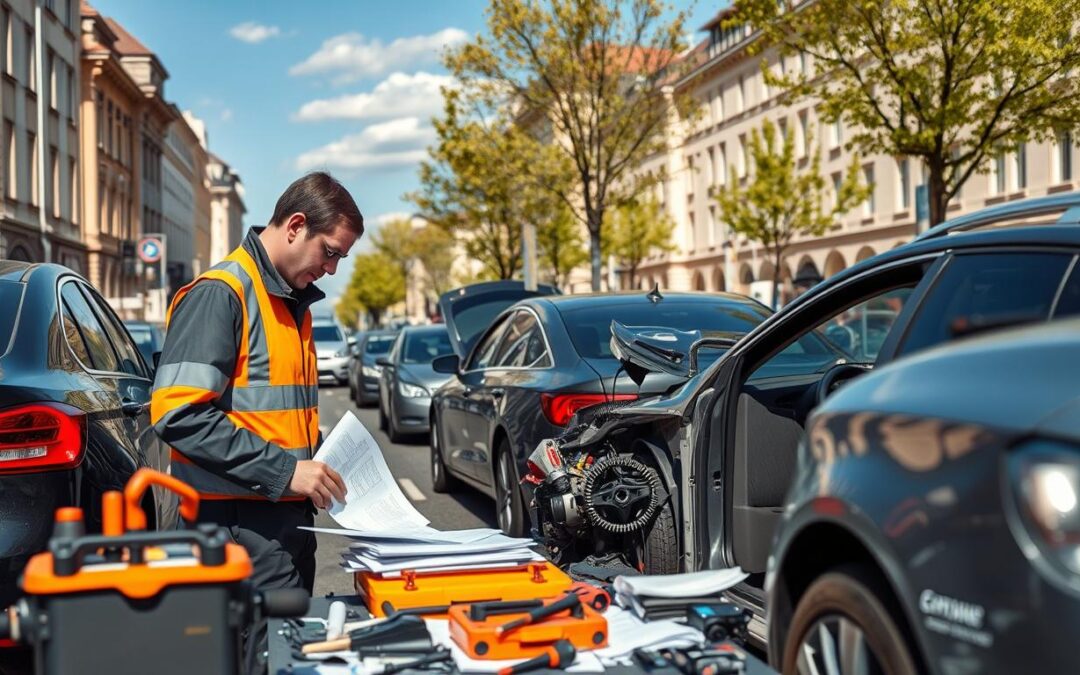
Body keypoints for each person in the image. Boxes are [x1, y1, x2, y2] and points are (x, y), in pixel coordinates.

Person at [150, 172, 363, 595]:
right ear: (296, 226)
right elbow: (178, 414)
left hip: (281, 521)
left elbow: (271, 416)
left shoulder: (288, 300)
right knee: (260, 655)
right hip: (235, 527)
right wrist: (286, 472)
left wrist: (318, 461)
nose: (332, 269)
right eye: (330, 253)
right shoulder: (221, 293)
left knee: (287, 647)